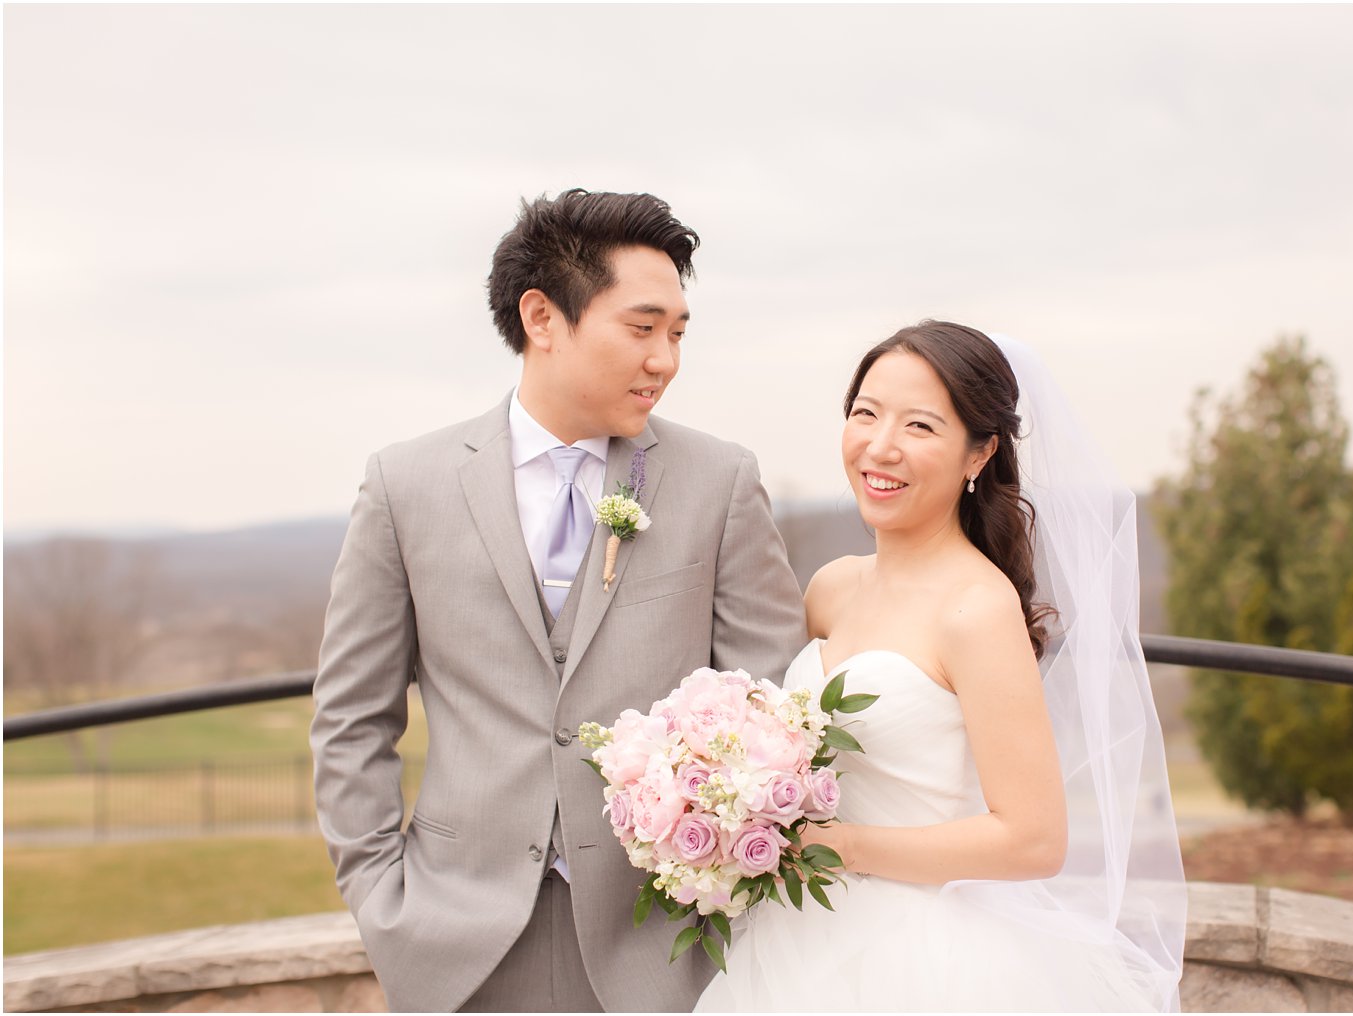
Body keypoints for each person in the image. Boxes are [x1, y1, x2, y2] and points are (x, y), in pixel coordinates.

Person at [310, 189, 808, 1013]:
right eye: (642, 328)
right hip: (455, 942)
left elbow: (772, 707)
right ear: (542, 318)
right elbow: (352, 716)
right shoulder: (407, 484)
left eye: (678, 333)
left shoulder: (719, 482)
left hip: (660, 946)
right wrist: (378, 894)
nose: (666, 359)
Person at [695, 321, 1187, 1012]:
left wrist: (842, 848)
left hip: (917, 956)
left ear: (978, 454)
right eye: (865, 414)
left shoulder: (977, 609)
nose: (880, 447)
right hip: (789, 938)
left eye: (920, 427)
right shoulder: (831, 587)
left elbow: (1033, 839)